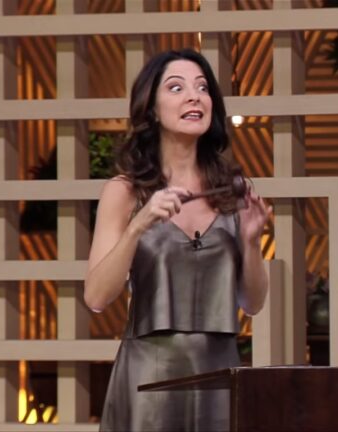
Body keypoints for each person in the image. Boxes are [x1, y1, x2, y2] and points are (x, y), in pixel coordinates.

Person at [84, 49, 271, 432]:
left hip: (219, 374)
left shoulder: (233, 189)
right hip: (148, 376)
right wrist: (138, 226)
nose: (194, 97)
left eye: (202, 88)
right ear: (151, 109)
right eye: (176, 87)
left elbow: (252, 303)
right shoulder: (125, 191)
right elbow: (97, 297)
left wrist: (252, 243)